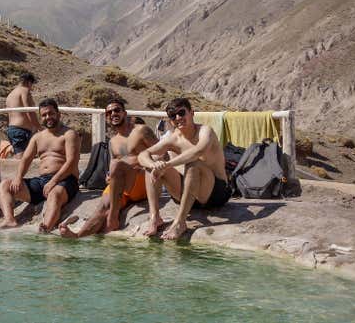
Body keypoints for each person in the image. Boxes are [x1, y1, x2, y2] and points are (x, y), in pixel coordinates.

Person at [60, 99, 158, 238]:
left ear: (125, 113)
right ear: (106, 117)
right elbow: (112, 166)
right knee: (102, 206)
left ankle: (112, 218)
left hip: (142, 181)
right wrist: (109, 175)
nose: (113, 114)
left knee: (117, 165)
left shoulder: (141, 131)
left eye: (117, 110)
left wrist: (137, 162)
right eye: (109, 112)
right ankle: (78, 236)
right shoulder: (112, 141)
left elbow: (162, 155)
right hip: (121, 185)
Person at [138, 98, 231, 240]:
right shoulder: (173, 138)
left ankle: (180, 222)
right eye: (173, 116)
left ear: (192, 113)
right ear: (170, 120)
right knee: (153, 163)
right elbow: (143, 155)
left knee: (193, 163)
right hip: (186, 193)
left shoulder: (205, 131)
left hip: (214, 193)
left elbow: (197, 152)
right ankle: (155, 217)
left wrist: (167, 165)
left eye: (181, 113)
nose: (178, 118)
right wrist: (154, 165)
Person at [0, 98, 80, 232]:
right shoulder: (37, 137)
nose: (48, 117)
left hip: (65, 180)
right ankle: (10, 219)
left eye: (51, 113)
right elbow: (25, 159)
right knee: (4, 185)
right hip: (42, 182)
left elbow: (71, 162)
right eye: (44, 115)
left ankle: (46, 227)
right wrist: (18, 177)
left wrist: (54, 181)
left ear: (58, 114)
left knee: (54, 194)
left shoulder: (69, 134)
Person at [4, 73, 41, 158]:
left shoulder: (11, 94)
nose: (31, 88)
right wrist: (39, 127)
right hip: (21, 131)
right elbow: (29, 111)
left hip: (12, 129)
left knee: (22, 157)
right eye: (32, 84)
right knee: (22, 159)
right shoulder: (25, 91)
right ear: (29, 82)